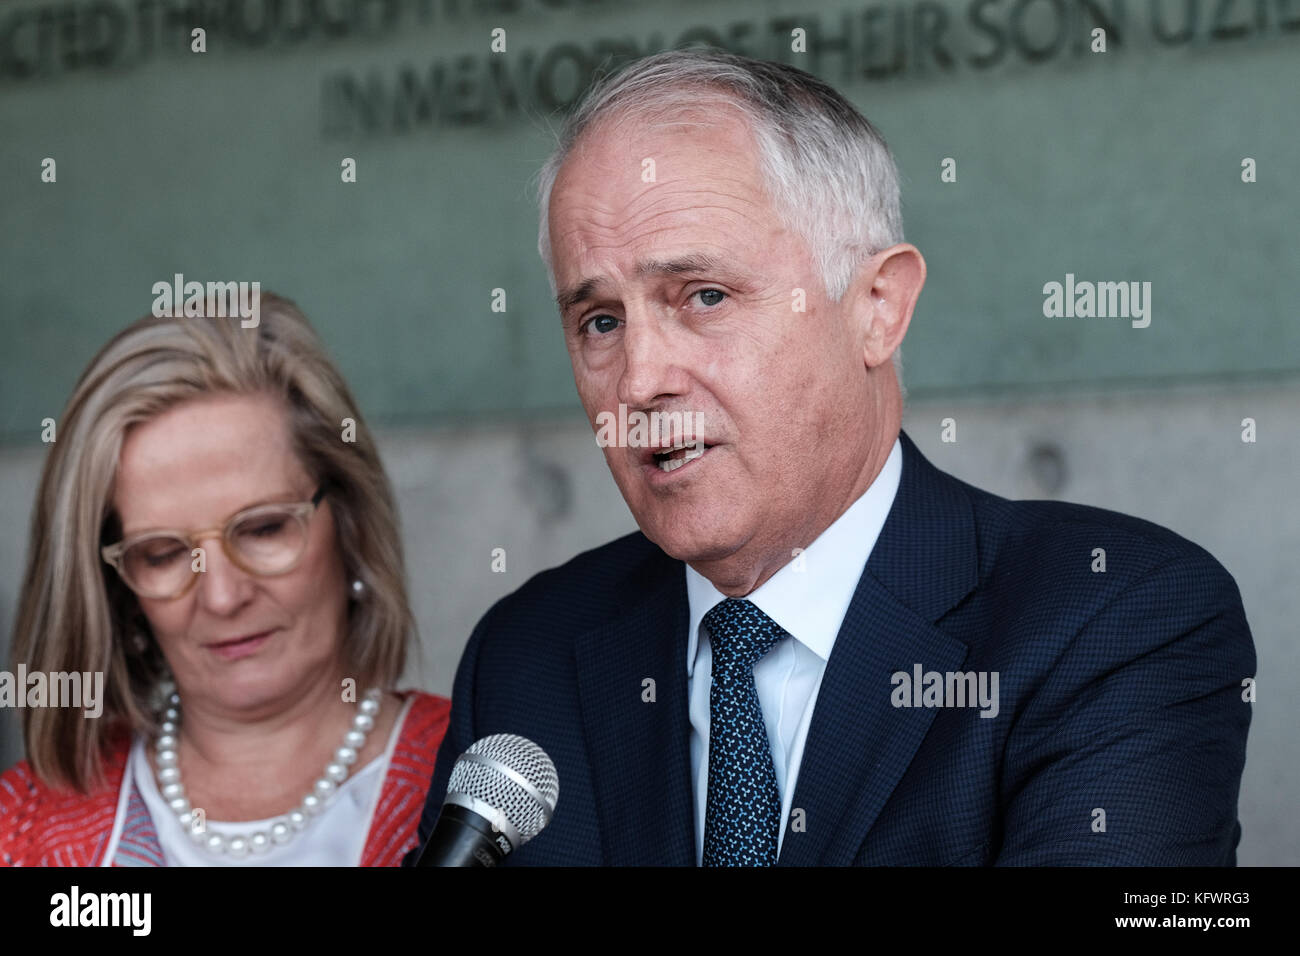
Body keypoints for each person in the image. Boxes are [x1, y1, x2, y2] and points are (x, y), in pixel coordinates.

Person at [410, 48, 1255, 866]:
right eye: (600, 321)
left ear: (878, 307)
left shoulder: (1115, 617)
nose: (639, 381)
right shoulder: (531, 655)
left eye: (704, 296)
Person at [0, 293, 449, 866]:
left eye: (263, 529)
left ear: (351, 522)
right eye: (162, 554)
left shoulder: (479, 788)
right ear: (117, 589)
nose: (222, 596)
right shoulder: (24, 827)